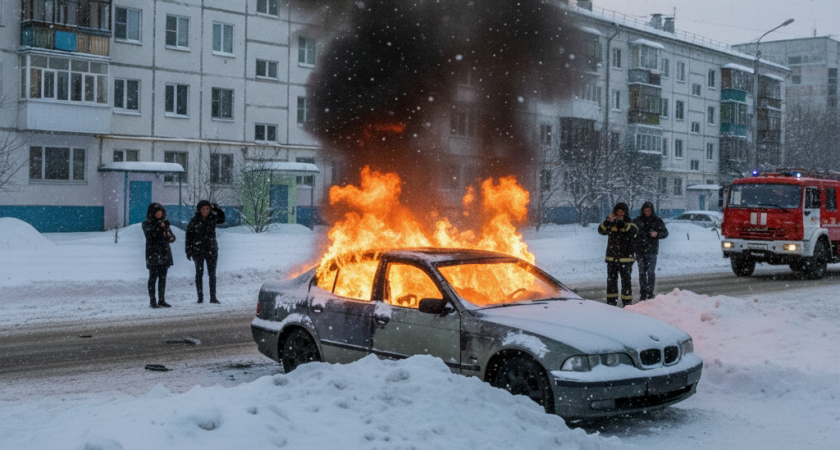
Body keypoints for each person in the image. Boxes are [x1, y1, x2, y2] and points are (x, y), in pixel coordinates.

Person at [597, 202, 639, 307]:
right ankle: (611, 302)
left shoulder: (630, 222)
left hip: (626, 259)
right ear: (615, 212)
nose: (620, 214)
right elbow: (601, 230)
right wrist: (607, 222)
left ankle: (627, 303)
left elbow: (635, 231)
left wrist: (623, 225)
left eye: (622, 212)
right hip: (612, 259)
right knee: (611, 282)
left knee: (626, 282)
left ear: (625, 213)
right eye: (618, 212)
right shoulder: (611, 223)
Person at [186, 200, 226, 304]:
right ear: (199, 210)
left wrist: (216, 209)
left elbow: (222, 219)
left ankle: (213, 297)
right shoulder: (194, 220)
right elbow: (189, 236)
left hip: (211, 250)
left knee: (212, 274)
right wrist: (189, 250)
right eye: (203, 209)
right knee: (199, 274)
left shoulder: (212, 218)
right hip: (198, 251)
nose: (205, 211)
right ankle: (200, 297)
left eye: (207, 209)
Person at [142, 203, 176, 308]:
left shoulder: (165, 224)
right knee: (153, 277)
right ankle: (152, 301)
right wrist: (159, 227)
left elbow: (172, 238)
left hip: (164, 253)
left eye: (160, 211)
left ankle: (162, 300)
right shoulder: (147, 224)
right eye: (156, 211)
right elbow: (150, 235)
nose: (159, 213)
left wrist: (167, 233)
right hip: (153, 254)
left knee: (163, 278)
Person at [634, 201, 669, 301]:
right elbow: (631, 231)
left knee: (650, 272)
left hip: (651, 250)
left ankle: (650, 292)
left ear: (652, 210)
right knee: (642, 273)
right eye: (645, 210)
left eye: (649, 210)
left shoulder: (657, 221)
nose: (647, 212)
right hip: (640, 250)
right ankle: (643, 292)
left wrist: (657, 234)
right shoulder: (638, 221)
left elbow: (665, 233)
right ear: (642, 211)